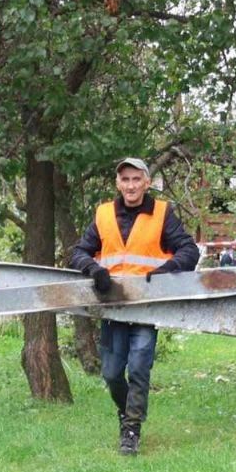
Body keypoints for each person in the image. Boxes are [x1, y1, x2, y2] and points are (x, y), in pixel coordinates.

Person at [69, 157, 200, 456]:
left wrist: (168, 270)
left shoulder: (162, 213)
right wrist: (94, 269)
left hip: (145, 307)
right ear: (118, 183)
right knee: (113, 373)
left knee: (140, 366)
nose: (130, 185)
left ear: (146, 182)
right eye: (125, 180)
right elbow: (78, 253)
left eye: (136, 179)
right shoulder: (104, 215)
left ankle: (131, 429)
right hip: (113, 307)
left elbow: (189, 250)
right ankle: (127, 412)